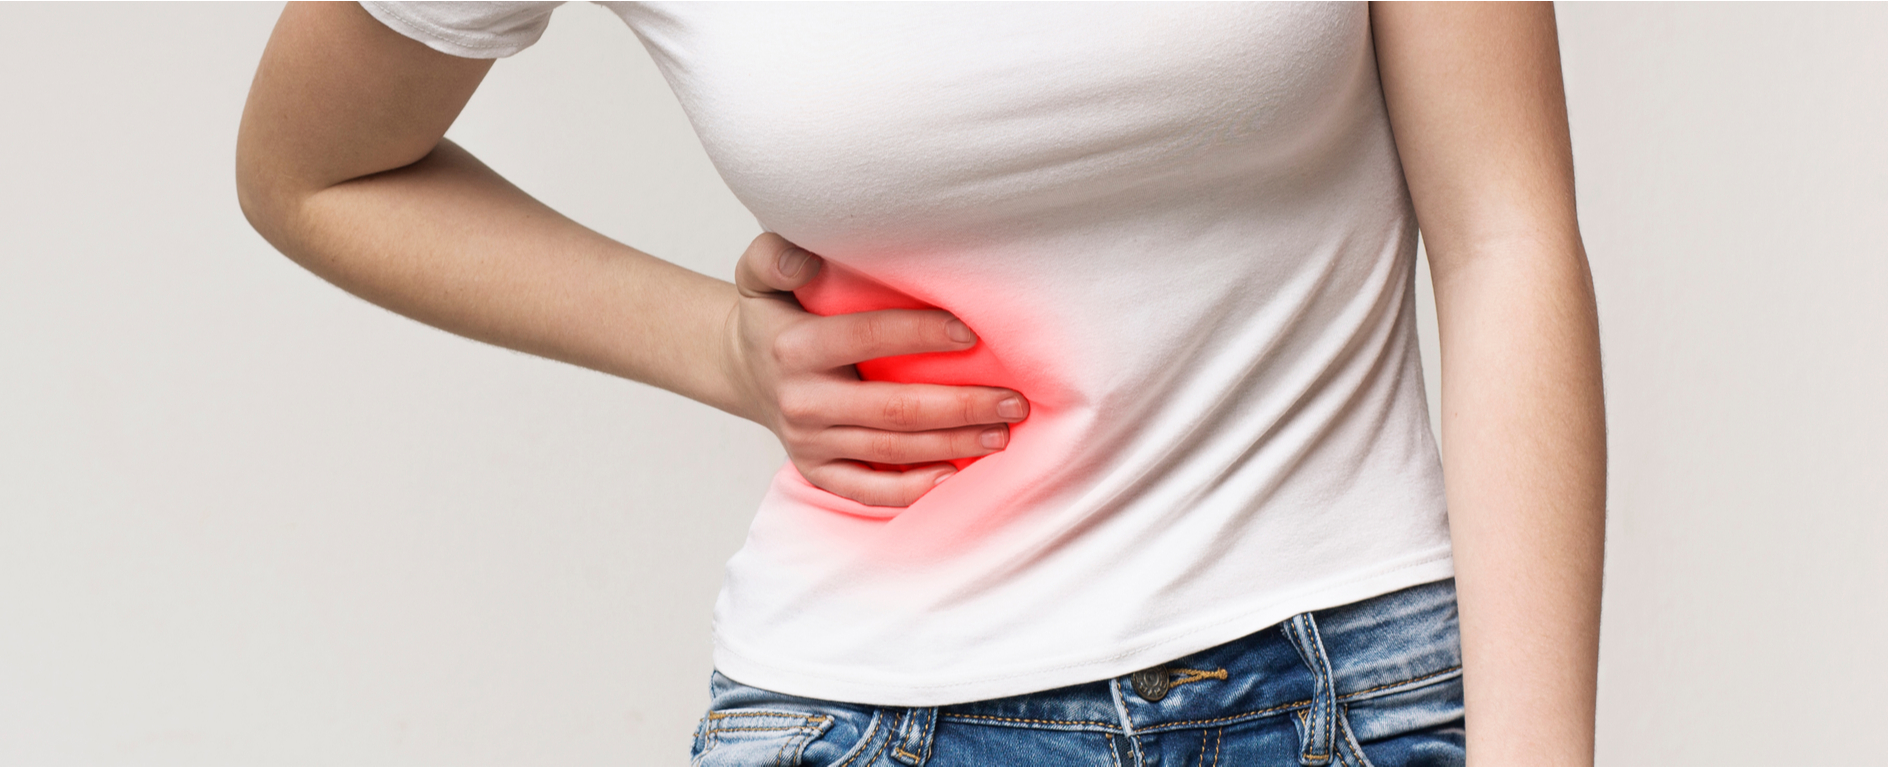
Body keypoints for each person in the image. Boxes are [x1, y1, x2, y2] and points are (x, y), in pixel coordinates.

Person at [237, 3, 1606, 765]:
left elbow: (1504, 237)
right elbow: (317, 171)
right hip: (871, 713)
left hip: (1347, 683)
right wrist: (719, 347)